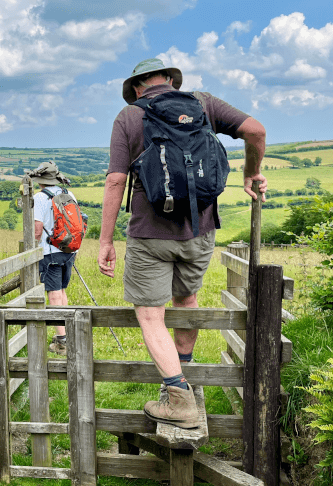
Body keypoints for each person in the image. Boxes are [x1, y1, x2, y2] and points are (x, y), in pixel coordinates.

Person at [98, 58, 268, 429]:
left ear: (137, 87)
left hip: (149, 234)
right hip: (201, 231)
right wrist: (252, 172)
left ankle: (178, 397)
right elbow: (255, 130)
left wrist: (105, 240)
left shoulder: (128, 117)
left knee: (149, 314)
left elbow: (115, 181)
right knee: (186, 299)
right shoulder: (204, 103)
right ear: (171, 80)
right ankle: (182, 378)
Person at [29, 161, 77, 356]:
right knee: (62, 291)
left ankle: (62, 341)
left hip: (50, 251)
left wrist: (32, 247)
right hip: (69, 249)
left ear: (41, 181)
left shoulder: (40, 197)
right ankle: (67, 332)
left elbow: (38, 228)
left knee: (54, 294)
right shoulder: (68, 194)